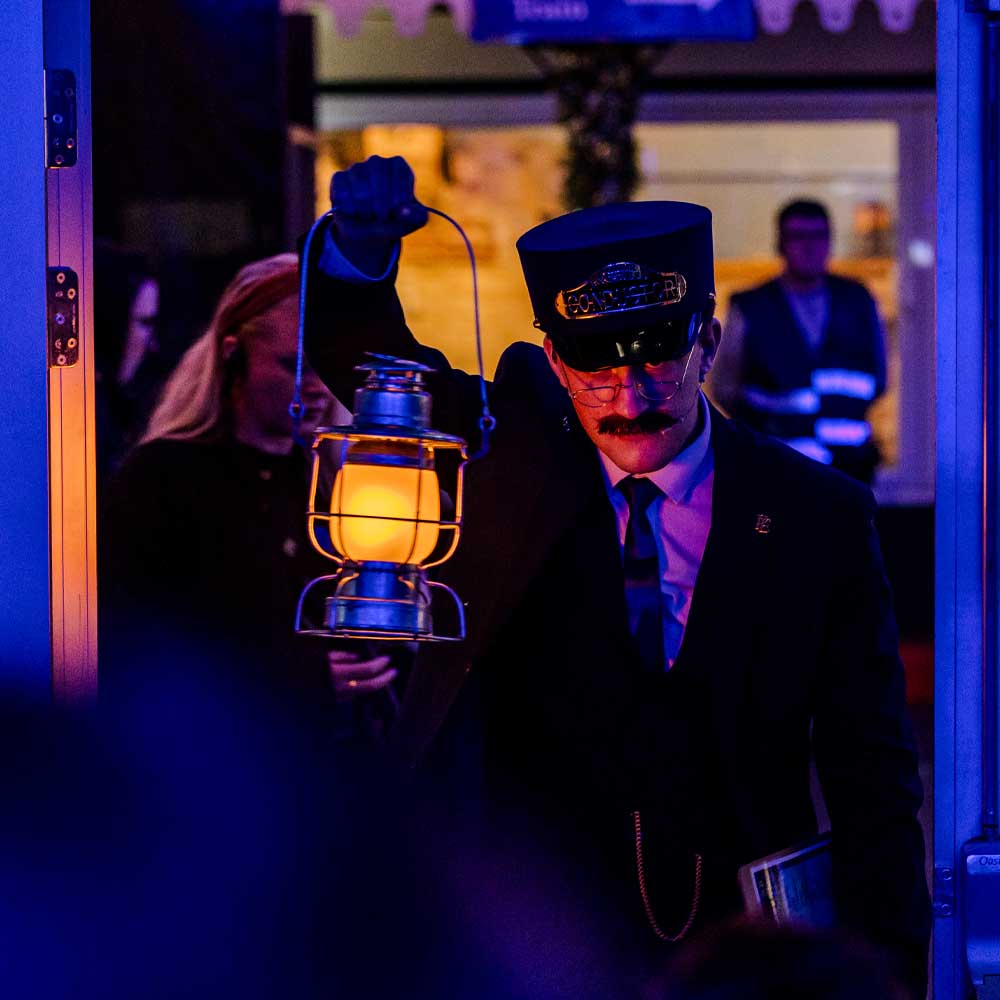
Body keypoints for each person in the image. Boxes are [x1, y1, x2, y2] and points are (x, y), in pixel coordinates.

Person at [303, 156, 930, 998]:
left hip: (739, 937)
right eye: (595, 366)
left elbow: (873, 773)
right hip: (536, 921)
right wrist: (358, 248)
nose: (629, 393)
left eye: (655, 359)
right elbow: (363, 357)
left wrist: (889, 973)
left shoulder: (817, 513)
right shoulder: (513, 447)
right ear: (556, 365)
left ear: (706, 341)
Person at [99, 253, 400, 732]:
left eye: (330, 367)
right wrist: (292, 677)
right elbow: (129, 643)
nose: (317, 387)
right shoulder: (161, 478)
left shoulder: (332, 482)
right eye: (292, 366)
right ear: (233, 354)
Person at [710, 199, 887, 485]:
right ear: (781, 244)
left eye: (818, 236)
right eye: (798, 236)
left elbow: (879, 379)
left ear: (830, 242)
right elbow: (726, 387)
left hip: (850, 468)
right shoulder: (751, 305)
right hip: (777, 465)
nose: (809, 246)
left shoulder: (858, 300)